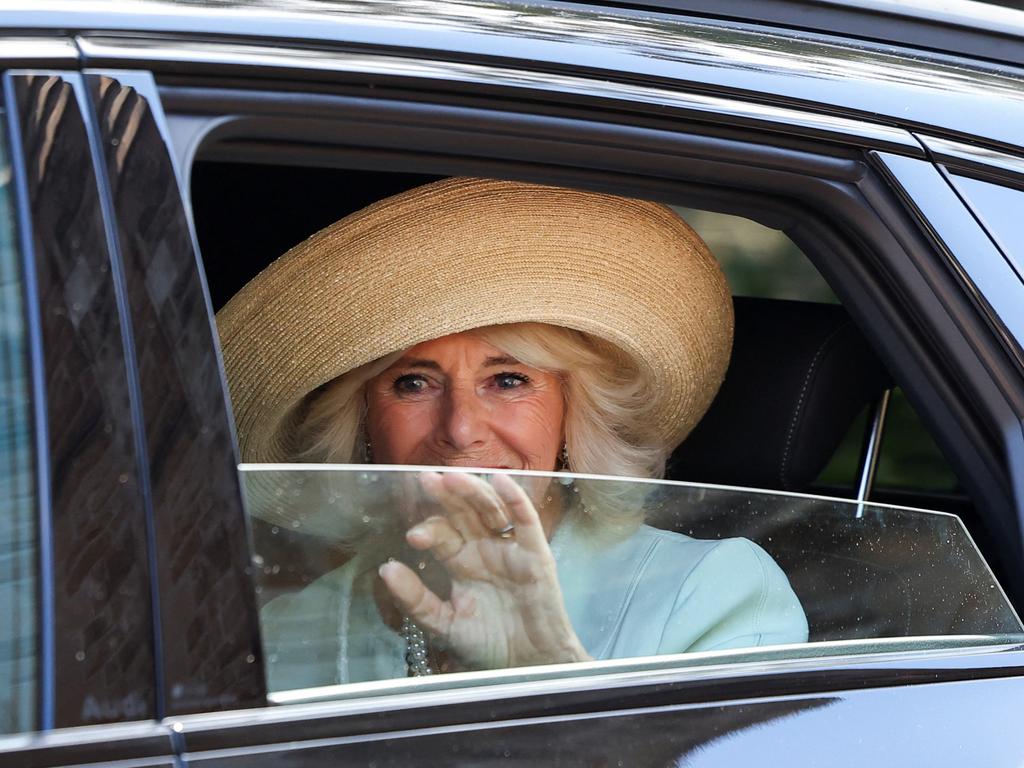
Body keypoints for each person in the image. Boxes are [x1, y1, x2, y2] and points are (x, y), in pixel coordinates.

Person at [216, 177, 808, 690]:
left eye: (507, 380)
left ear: (575, 413)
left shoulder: (709, 594)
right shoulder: (289, 632)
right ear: (362, 421)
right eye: (413, 384)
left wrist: (550, 677)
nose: (461, 429)